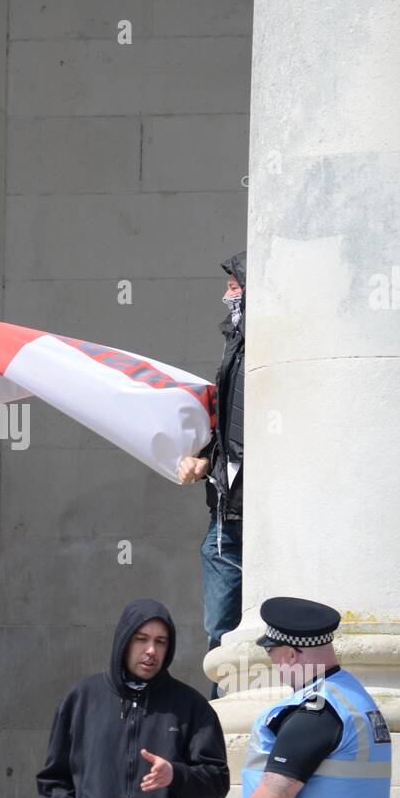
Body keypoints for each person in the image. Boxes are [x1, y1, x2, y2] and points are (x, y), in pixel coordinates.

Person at [36, 599, 229, 798]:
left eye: (160, 642)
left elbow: (217, 783)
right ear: (124, 641)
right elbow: (53, 780)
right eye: (142, 639)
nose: (151, 650)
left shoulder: (191, 705)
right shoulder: (81, 699)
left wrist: (176, 775)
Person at [218, 598, 392, 798]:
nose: (275, 667)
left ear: (290, 653)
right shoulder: (354, 700)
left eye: (272, 654)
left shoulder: (316, 713)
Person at [178, 251, 246, 698]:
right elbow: (228, 416)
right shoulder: (236, 341)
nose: (227, 294)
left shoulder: (266, 342)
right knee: (220, 627)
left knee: (234, 624)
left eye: (235, 285)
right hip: (227, 508)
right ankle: (225, 710)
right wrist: (204, 454)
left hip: (254, 509)